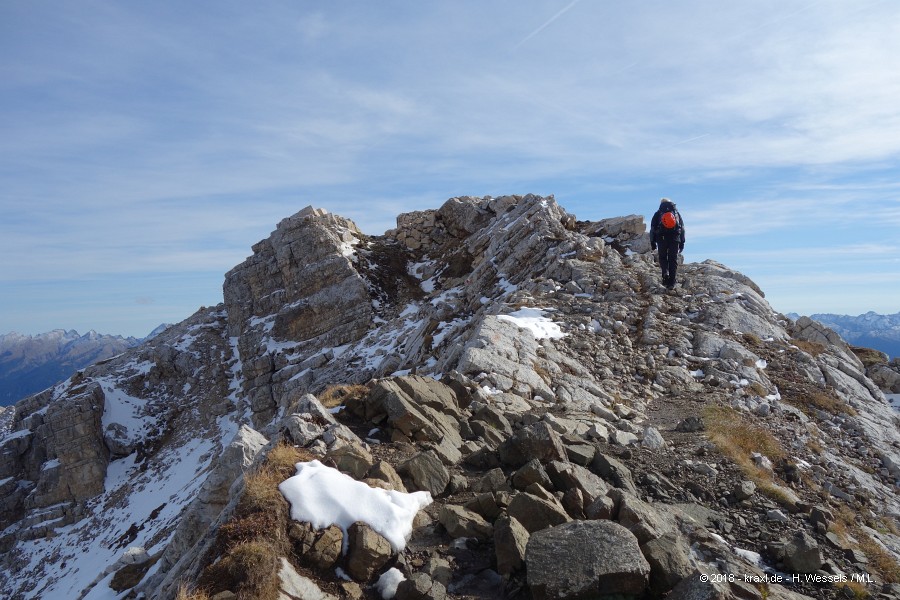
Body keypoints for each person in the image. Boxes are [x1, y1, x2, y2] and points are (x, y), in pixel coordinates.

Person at [650, 198, 685, 289]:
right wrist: (682, 242)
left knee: (662, 257)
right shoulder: (676, 214)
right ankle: (672, 282)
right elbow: (682, 228)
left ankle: (665, 273)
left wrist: (652, 242)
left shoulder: (658, 214)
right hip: (675, 238)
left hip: (661, 238)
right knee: (673, 259)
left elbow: (652, 229)